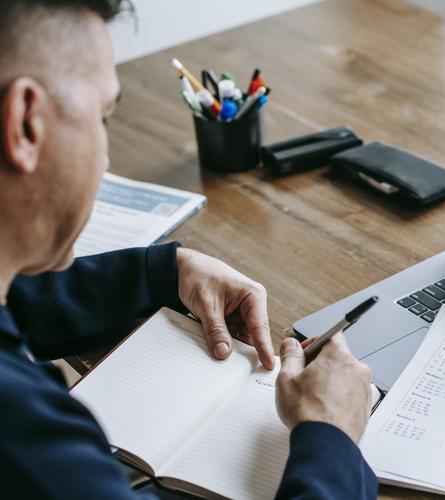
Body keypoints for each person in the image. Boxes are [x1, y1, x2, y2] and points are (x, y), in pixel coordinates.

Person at [0, 1, 377, 498]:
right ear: (26, 123)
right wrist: (332, 441)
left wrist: (161, 272)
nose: (105, 151)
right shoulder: (26, 439)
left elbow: (19, 302)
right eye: (103, 117)